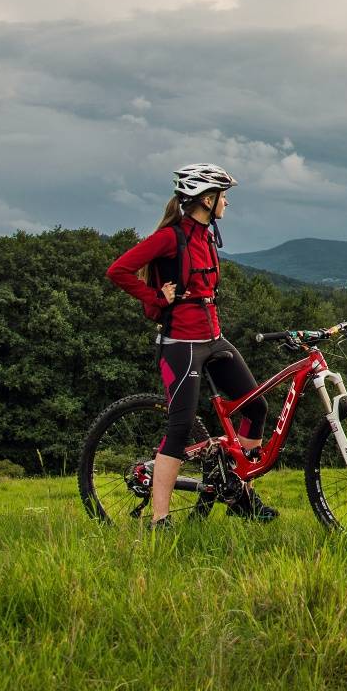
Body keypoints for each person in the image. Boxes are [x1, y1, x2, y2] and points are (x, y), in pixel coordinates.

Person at [106, 163, 277, 528]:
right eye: (223, 197)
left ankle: (238, 492)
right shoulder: (171, 237)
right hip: (181, 342)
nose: (227, 204)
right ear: (207, 198)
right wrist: (154, 295)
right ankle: (159, 518)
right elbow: (118, 270)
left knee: (256, 407)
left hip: (213, 338)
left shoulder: (207, 236)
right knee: (180, 427)